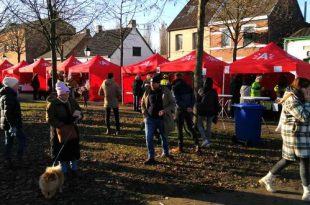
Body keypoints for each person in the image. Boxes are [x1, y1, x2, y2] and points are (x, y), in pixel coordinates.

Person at [259, 77, 310, 201]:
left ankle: (268, 178)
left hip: (300, 133)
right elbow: (304, 117)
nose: (309, 91)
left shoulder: (298, 97)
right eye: (307, 88)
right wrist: (308, 101)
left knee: (288, 159)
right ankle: (307, 192)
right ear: (300, 88)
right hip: (295, 135)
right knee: (304, 159)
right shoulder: (291, 99)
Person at [46, 81, 82, 178]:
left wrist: (78, 117)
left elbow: (79, 111)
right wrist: (62, 124)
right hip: (59, 132)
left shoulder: (72, 101)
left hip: (72, 129)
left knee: (73, 150)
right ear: (59, 94)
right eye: (64, 94)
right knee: (62, 153)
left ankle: (74, 169)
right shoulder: (52, 104)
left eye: (67, 93)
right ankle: (63, 171)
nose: (66, 95)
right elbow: (50, 119)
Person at [141, 73, 175, 165]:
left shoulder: (166, 91)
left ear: (159, 83)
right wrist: (144, 113)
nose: (152, 84)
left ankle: (166, 153)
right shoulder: (148, 91)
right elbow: (143, 103)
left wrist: (164, 110)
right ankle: (151, 157)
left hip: (162, 119)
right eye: (151, 82)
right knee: (148, 138)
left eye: (154, 83)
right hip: (149, 119)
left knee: (164, 137)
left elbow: (173, 104)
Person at [0, 77, 26, 169]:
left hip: (9, 124)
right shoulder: (8, 96)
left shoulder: (8, 95)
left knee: (9, 142)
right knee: (22, 140)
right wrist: (13, 126)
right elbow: (8, 113)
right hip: (13, 124)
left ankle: (8, 159)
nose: (18, 86)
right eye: (16, 85)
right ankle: (19, 159)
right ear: (11, 86)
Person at [171, 73, 200, 154]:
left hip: (180, 110)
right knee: (190, 128)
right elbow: (193, 98)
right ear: (182, 78)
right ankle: (197, 145)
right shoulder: (188, 86)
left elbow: (177, 100)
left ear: (175, 78)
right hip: (188, 110)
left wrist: (186, 107)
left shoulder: (174, 87)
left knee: (179, 129)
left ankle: (180, 147)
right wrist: (190, 107)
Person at [196, 78, 220, 147]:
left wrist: (198, 107)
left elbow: (197, 101)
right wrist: (216, 113)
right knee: (208, 127)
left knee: (199, 125)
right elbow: (216, 103)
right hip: (211, 111)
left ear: (204, 83)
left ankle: (205, 140)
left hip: (202, 111)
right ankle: (208, 141)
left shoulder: (201, 90)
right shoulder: (214, 92)